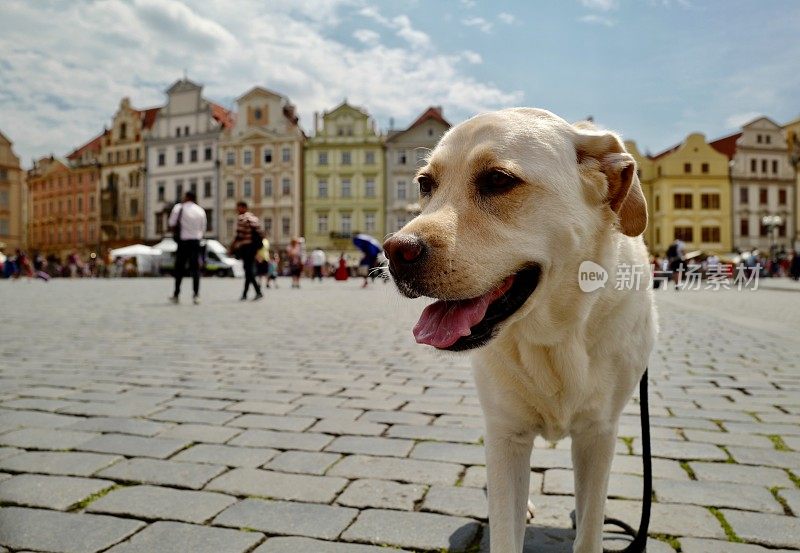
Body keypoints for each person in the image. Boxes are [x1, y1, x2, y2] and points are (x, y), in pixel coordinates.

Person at [168, 190, 206, 304]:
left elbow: (171, 223)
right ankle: (196, 295)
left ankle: (176, 294)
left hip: (183, 242)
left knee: (179, 268)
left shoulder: (179, 207)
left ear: (187, 197)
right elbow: (203, 228)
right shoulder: (200, 210)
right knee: (195, 270)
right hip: (196, 242)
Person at [229, 201, 264, 301]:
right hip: (254, 247)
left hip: (246, 247)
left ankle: (257, 291)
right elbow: (260, 233)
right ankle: (245, 293)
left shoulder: (242, 218)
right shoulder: (253, 218)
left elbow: (239, 235)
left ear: (243, 207)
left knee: (248, 270)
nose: (236, 210)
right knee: (249, 270)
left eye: (238, 207)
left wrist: (232, 247)